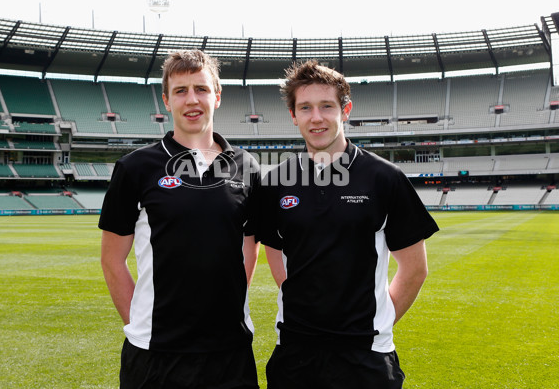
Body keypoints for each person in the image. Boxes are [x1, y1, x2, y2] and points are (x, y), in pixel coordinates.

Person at [257, 60, 439, 389]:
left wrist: (377, 321)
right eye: (305, 108)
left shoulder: (385, 179)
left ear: (345, 110)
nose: (316, 118)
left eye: (327, 106)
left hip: (366, 356)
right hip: (295, 353)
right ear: (293, 116)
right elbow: (275, 253)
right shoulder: (275, 182)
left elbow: (414, 269)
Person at [99, 49, 261, 389]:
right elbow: (113, 260)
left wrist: (225, 308)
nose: (192, 100)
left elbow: (249, 247)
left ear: (217, 97)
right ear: (166, 100)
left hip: (230, 351)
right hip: (155, 355)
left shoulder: (248, 167)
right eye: (181, 90)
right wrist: (141, 323)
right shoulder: (134, 168)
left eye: (201, 89)